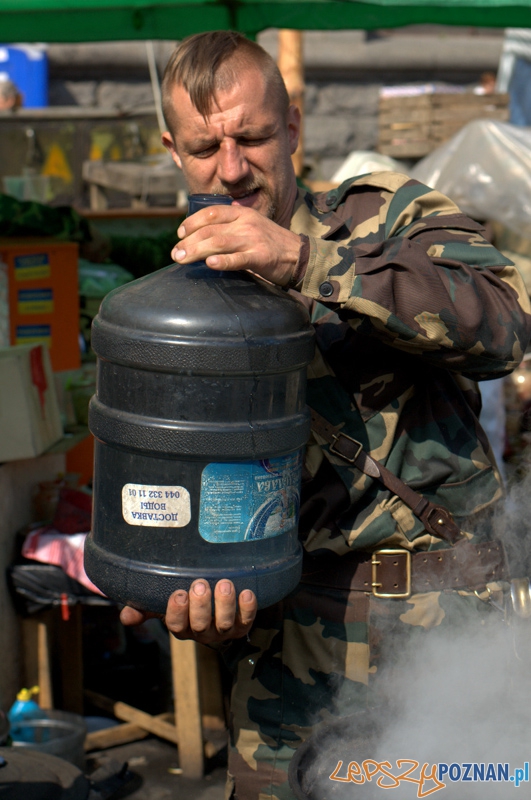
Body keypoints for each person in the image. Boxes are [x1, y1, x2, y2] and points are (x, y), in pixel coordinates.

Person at [119, 31, 531, 800]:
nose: (232, 168)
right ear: (174, 150)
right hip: (288, 667)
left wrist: (307, 264)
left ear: (296, 128)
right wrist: (193, 595)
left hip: (443, 637)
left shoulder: (382, 218)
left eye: (253, 137)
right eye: (207, 146)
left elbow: (504, 322)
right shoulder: (172, 315)